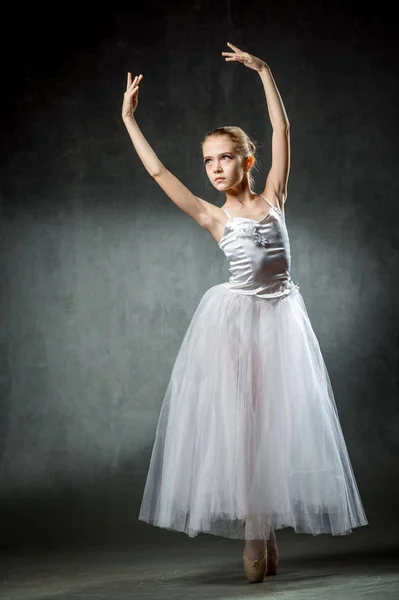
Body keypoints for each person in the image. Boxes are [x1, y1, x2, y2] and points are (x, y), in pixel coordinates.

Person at [122, 42, 368, 584]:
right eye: (208, 160)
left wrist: (265, 71)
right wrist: (129, 120)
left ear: (246, 161)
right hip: (236, 324)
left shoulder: (276, 197)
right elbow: (161, 175)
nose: (214, 168)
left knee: (280, 425)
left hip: (283, 318)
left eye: (225, 157)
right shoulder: (214, 217)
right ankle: (257, 534)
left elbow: (283, 133)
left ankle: (266, 533)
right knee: (248, 427)